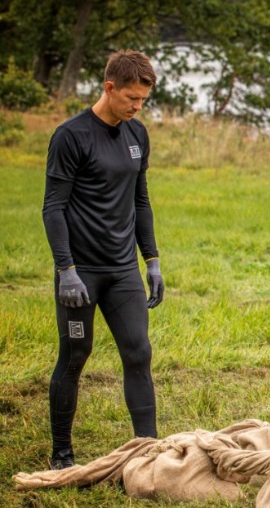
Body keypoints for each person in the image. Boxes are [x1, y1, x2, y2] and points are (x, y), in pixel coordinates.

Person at [41, 50, 165, 470]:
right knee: (75, 357)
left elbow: (140, 200)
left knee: (138, 353)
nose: (137, 106)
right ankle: (62, 453)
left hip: (122, 271)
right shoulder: (71, 136)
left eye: (143, 100)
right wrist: (66, 271)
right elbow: (52, 208)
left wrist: (151, 260)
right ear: (109, 88)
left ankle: (147, 452)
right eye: (131, 98)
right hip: (82, 275)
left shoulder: (136, 135)